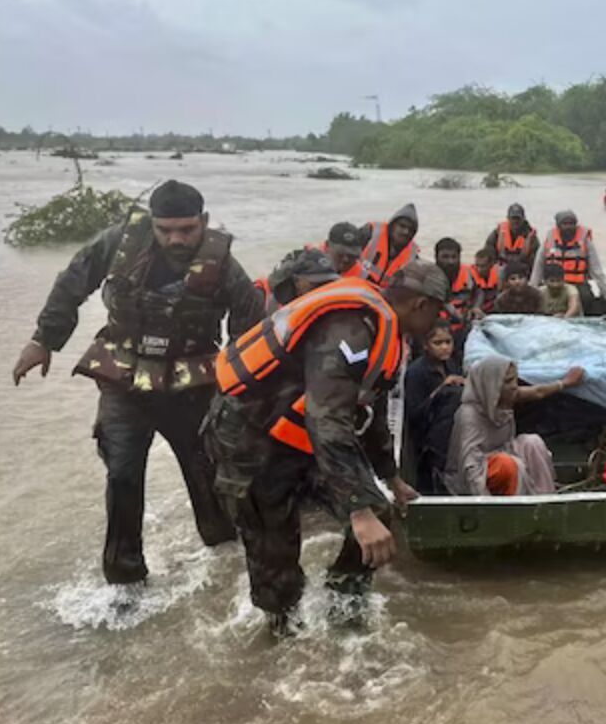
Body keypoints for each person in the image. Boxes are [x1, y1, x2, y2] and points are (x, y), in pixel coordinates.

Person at [12, 180, 265, 587]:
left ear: (202, 222)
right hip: (124, 381)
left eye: (186, 230)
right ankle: (124, 580)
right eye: (166, 230)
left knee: (208, 477)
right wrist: (44, 340)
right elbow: (72, 282)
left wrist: (251, 400)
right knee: (122, 475)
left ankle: (225, 566)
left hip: (191, 388)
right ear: (153, 222)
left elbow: (251, 331)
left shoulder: (223, 264)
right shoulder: (120, 243)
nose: (176, 239)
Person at [206, 263, 449, 635]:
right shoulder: (350, 329)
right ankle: (280, 633)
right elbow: (328, 418)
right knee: (278, 559)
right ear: (420, 305)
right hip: (251, 443)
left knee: (379, 512)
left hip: (306, 437)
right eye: (437, 311)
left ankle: (343, 603)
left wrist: (390, 477)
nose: (439, 322)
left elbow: (368, 409)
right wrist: (356, 509)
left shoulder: (389, 334)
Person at [445, 356, 585, 495]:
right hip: (478, 473)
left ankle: (545, 497)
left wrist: (565, 383)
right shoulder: (470, 415)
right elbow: (470, 465)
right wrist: (483, 504)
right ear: (492, 385)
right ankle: (517, 507)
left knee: (532, 443)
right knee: (508, 464)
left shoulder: (504, 398)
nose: (513, 386)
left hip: (504, 455)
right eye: (507, 382)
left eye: (514, 380)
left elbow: (537, 392)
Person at [404, 321, 465, 494]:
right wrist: (440, 390)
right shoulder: (417, 372)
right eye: (438, 343)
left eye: (448, 342)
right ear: (426, 345)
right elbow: (414, 413)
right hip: (428, 442)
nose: (445, 348)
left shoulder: (451, 365)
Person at [531, 210, 606, 314]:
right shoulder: (549, 239)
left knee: (586, 298)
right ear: (558, 225)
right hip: (553, 283)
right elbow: (538, 267)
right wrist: (532, 289)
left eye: (571, 224)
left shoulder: (585, 241)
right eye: (565, 224)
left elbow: (596, 269)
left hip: (578, 284)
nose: (568, 227)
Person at [254, 248, 340, 313]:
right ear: (297, 282)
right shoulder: (274, 307)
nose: (322, 289)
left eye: (328, 283)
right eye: (317, 283)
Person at [359, 203, 420, 286]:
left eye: (411, 230)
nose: (406, 232)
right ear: (392, 225)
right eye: (402, 226)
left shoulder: (413, 257)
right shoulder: (370, 232)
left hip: (381, 296)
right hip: (354, 285)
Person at [435, 237, 471, 333]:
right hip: (438, 329)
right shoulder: (428, 277)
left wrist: (476, 307)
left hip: (465, 327)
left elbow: (480, 291)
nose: (450, 262)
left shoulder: (470, 273)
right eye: (445, 257)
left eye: (454, 257)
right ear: (436, 257)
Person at [486, 203, 539, 267]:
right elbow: (488, 252)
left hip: (522, 268)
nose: (515, 221)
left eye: (518, 218)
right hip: (501, 266)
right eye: (513, 218)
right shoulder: (497, 233)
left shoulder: (531, 237)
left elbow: (535, 260)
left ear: (524, 218)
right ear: (508, 218)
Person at [468, 247, 502, 316]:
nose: (479, 269)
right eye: (477, 265)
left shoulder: (500, 275)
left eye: (483, 266)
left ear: (491, 264)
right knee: (480, 292)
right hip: (476, 308)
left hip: (494, 307)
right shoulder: (470, 276)